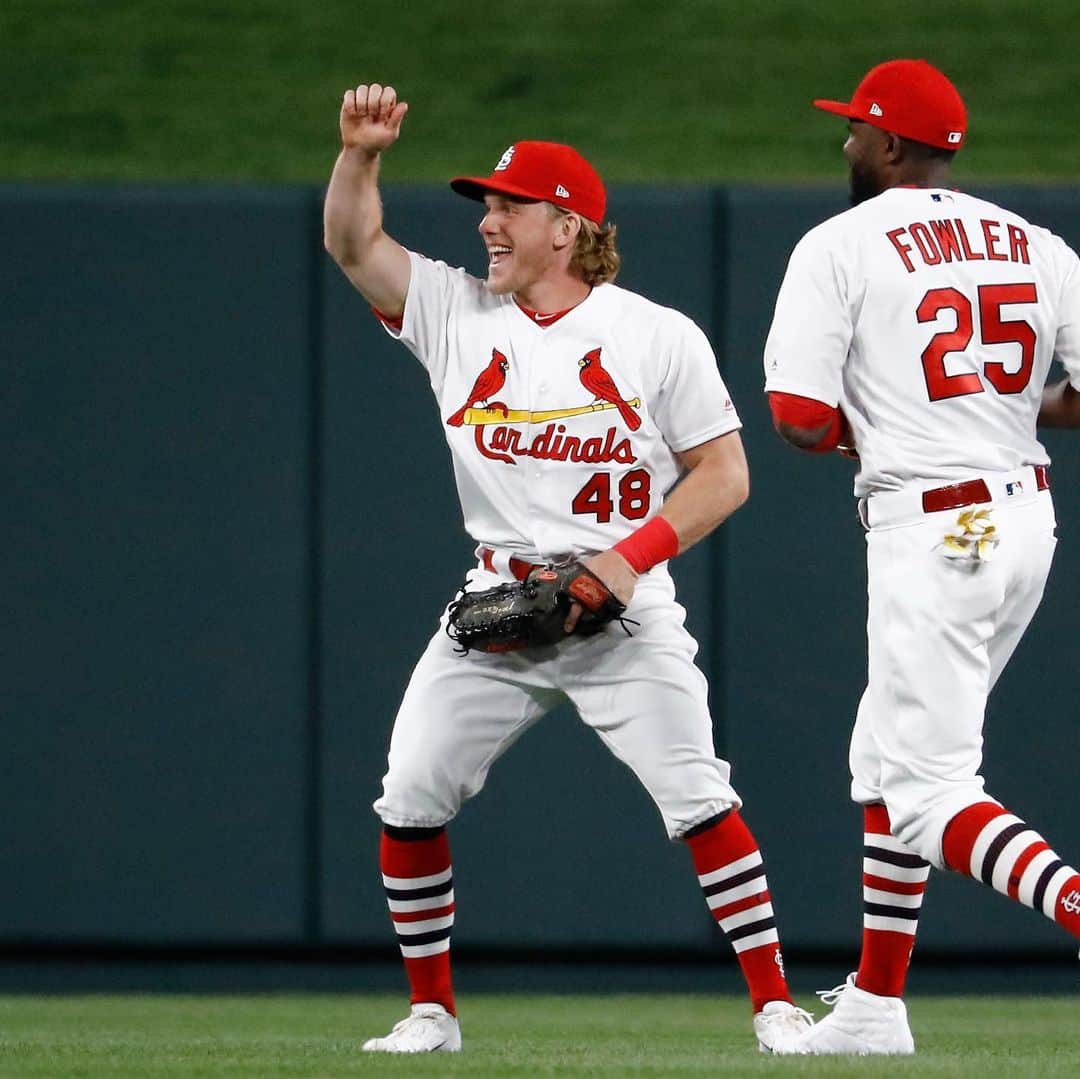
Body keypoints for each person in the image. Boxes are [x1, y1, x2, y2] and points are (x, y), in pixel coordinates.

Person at [324, 81, 812, 1055]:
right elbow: (351, 245)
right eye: (486, 206)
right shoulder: (455, 313)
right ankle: (432, 1013)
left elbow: (725, 475)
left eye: (509, 206)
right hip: (498, 601)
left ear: (568, 226)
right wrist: (360, 155)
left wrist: (625, 563)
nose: (489, 223)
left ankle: (776, 1008)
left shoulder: (654, 334)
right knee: (409, 791)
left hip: (621, 607)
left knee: (699, 797)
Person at [763, 57, 1080, 1055]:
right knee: (883, 756)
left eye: (857, 128)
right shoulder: (1036, 244)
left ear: (892, 145)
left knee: (932, 785)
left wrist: (896, 426)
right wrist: (985, 409)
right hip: (1024, 520)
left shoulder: (839, 244)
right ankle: (874, 1004)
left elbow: (798, 417)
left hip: (933, 527)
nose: (846, 141)